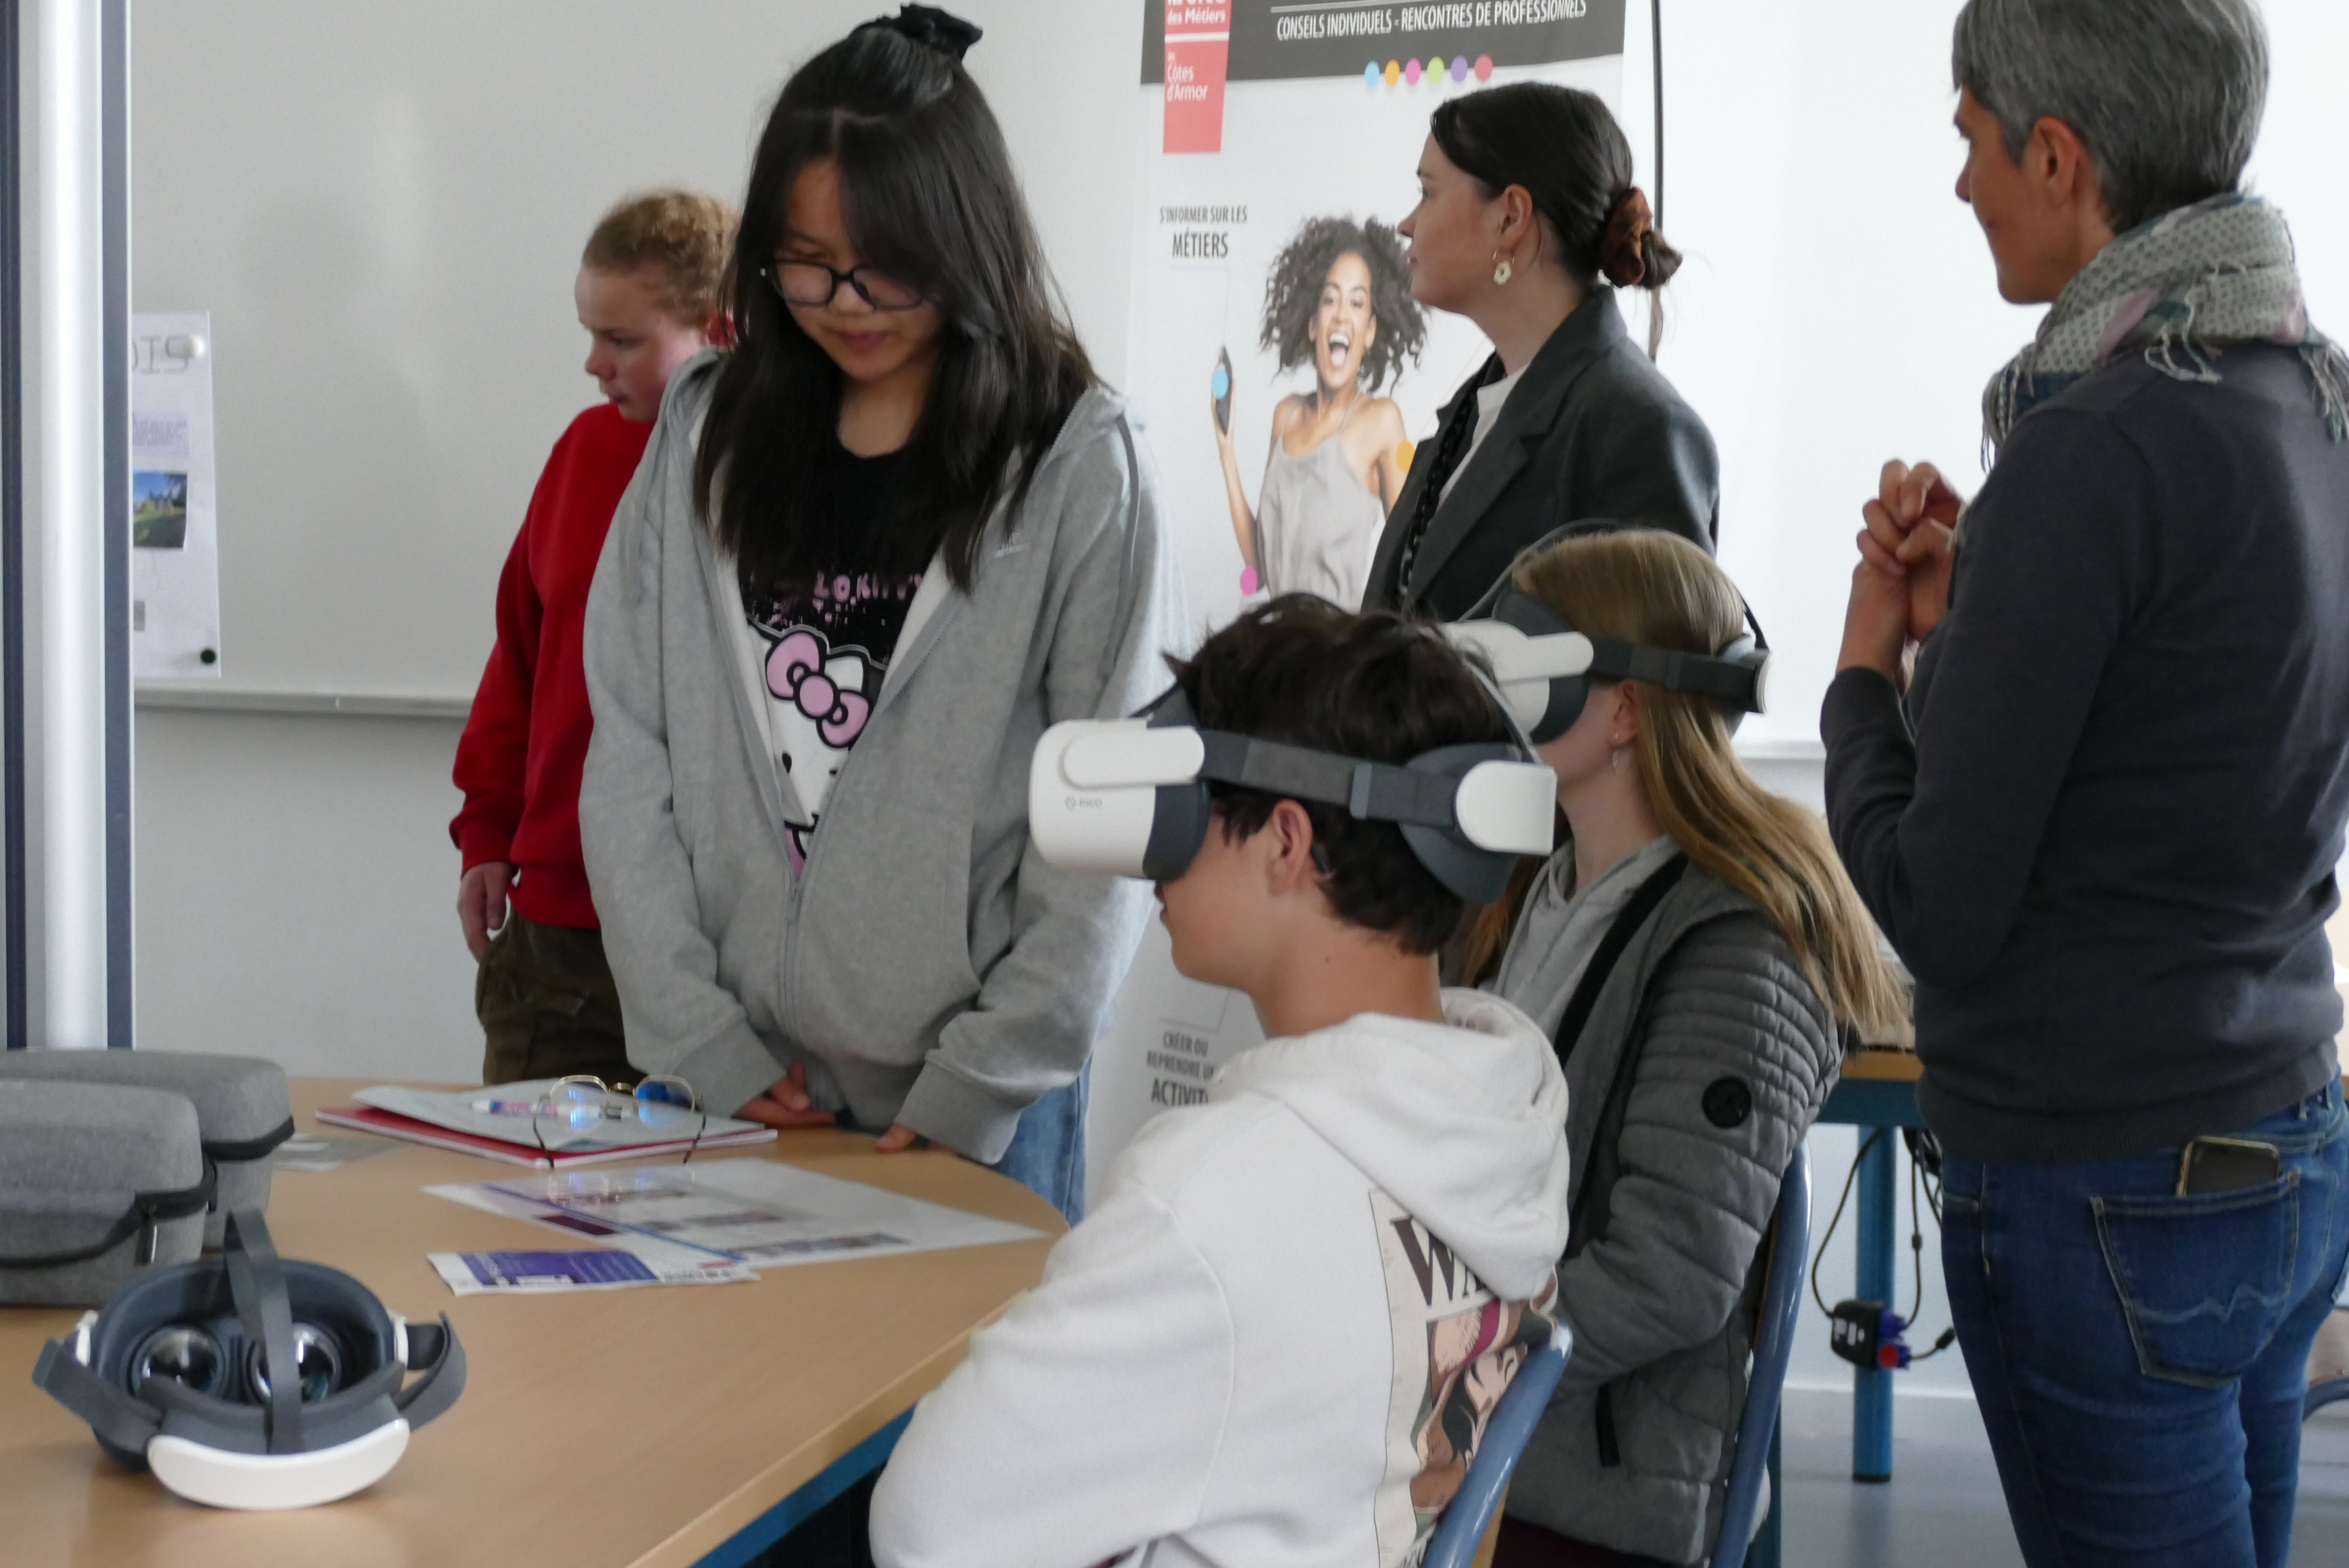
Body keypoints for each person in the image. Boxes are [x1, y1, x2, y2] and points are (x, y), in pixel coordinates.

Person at [1822, 3, 2349, 1564]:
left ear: (2056, 155)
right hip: (2286, 1135)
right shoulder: (2314, 402)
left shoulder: (2089, 446)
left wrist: (1864, 672)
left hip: (2108, 1180)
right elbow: (2187, 730)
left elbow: (1936, 903)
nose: (1960, 184)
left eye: (1970, 141)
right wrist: (1990, 618)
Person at [578, 8, 1182, 1224]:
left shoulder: (1076, 466)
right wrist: (698, 1036)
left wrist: (981, 1078)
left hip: (976, 1109)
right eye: (805, 263)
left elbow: (1113, 817)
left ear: (966, 237)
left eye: (887, 265)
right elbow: (631, 748)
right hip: (733, 1086)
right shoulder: (703, 437)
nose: (845, 302)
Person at [869, 597, 1570, 1567]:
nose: (1153, 858)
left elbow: (926, 1527)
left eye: (1189, 809)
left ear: (1287, 843)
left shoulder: (1216, 1200)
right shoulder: (1504, 1125)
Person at [1458, 528, 1906, 1568]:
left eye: (1534, 660)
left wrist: (1455, 1365)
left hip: (1583, 1496)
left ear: (1624, 709)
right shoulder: (1532, 893)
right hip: (1484, 1448)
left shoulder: (1739, 946)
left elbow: (1670, 1272)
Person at [450, 187, 734, 1087]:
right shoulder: (582, 451)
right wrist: (488, 831)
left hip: (721, 939)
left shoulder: (773, 476)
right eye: (590, 334)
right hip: (565, 932)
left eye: (623, 341)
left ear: (717, 331)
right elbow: (520, 657)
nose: (593, 363)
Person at [1363, 84, 1717, 622]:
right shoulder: (1477, 408)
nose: (1406, 224)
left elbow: (1661, 668)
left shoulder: (1641, 430)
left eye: (1428, 193)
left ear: (1511, 217)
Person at [1214, 216, 1423, 606]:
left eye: (1357, 303)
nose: (1341, 315)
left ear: (1370, 332)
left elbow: (1412, 562)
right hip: (1273, 637)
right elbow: (1257, 572)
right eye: (1330, 299)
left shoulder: (1383, 421)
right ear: (1312, 325)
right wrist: (1226, 451)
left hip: (1336, 642)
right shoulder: (1286, 415)